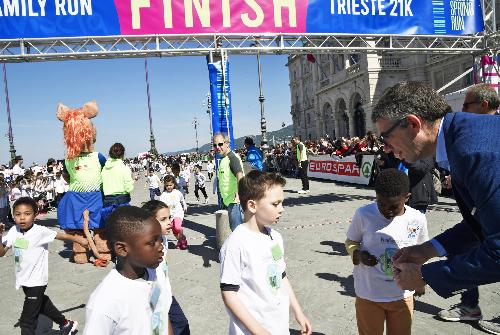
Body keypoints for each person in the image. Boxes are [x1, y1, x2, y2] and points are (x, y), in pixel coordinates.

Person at [370, 82, 500, 327]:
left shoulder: (472, 151)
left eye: (385, 137)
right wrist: (427, 250)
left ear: (413, 124)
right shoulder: (460, 139)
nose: (385, 148)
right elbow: (481, 221)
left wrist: (425, 275)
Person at [436, 83, 500, 334]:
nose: (459, 112)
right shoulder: (465, 143)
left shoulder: (479, 150)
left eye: (465, 106)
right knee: (466, 244)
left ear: (484, 106)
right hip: (478, 217)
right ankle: (469, 304)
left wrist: (427, 275)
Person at [219, 170, 312, 335]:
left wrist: (298, 311)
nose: (282, 209)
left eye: (282, 203)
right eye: (275, 204)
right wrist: (259, 331)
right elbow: (229, 294)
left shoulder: (275, 237)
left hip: (278, 325)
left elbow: (281, 276)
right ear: (252, 205)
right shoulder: (236, 243)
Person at [345, 169, 428, 335]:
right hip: (368, 295)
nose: (386, 210)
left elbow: (422, 252)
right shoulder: (363, 214)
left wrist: (419, 280)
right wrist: (357, 254)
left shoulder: (417, 219)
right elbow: (351, 241)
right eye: (381, 203)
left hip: (402, 295)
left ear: (407, 198)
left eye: (393, 206)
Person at [0, 197, 87, 335]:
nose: (22, 218)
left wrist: (78, 239)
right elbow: (2, 252)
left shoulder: (40, 231)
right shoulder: (13, 231)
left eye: (27, 214)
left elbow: (60, 236)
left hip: (37, 281)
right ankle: (66, 324)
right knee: (42, 303)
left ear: (35, 215)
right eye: (18, 214)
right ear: (13, 216)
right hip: (24, 279)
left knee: (27, 322)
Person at [83, 206, 172, 335]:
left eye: (160, 239)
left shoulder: (155, 273)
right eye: (152, 242)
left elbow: (162, 314)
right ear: (122, 249)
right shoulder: (105, 301)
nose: (161, 247)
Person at [142, 200, 191, 335]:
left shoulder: (163, 239)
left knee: (182, 324)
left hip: (166, 294)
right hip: (153, 300)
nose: (169, 222)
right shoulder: (144, 247)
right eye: (163, 219)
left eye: (169, 217)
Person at [213, 133, 245, 231]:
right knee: (236, 230)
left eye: (220, 144)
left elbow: (240, 175)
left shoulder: (232, 158)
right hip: (229, 201)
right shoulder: (224, 159)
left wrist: (238, 194)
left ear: (227, 144)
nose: (217, 147)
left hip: (235, 201)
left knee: (237, 231)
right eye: (215, 145)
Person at [101, 143, 134, 224]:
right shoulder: (124, 168)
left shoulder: (105, 169)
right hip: (122, 203)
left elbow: (101, 185)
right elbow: (129, 188)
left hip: (107, 203)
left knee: (111, 230)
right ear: (123, 154)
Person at [160, 175, 188, 250]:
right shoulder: (163, 195)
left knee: (177, 227)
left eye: (170, 185)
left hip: (178, 213)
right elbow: (161, 206)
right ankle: (180, 240)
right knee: (175, 232)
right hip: (169, 216)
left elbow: (182, 200)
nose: (169, 187)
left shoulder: (177, 192)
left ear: (174, 184)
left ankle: (182, 238)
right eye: (167, 185)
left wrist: (184, 206)